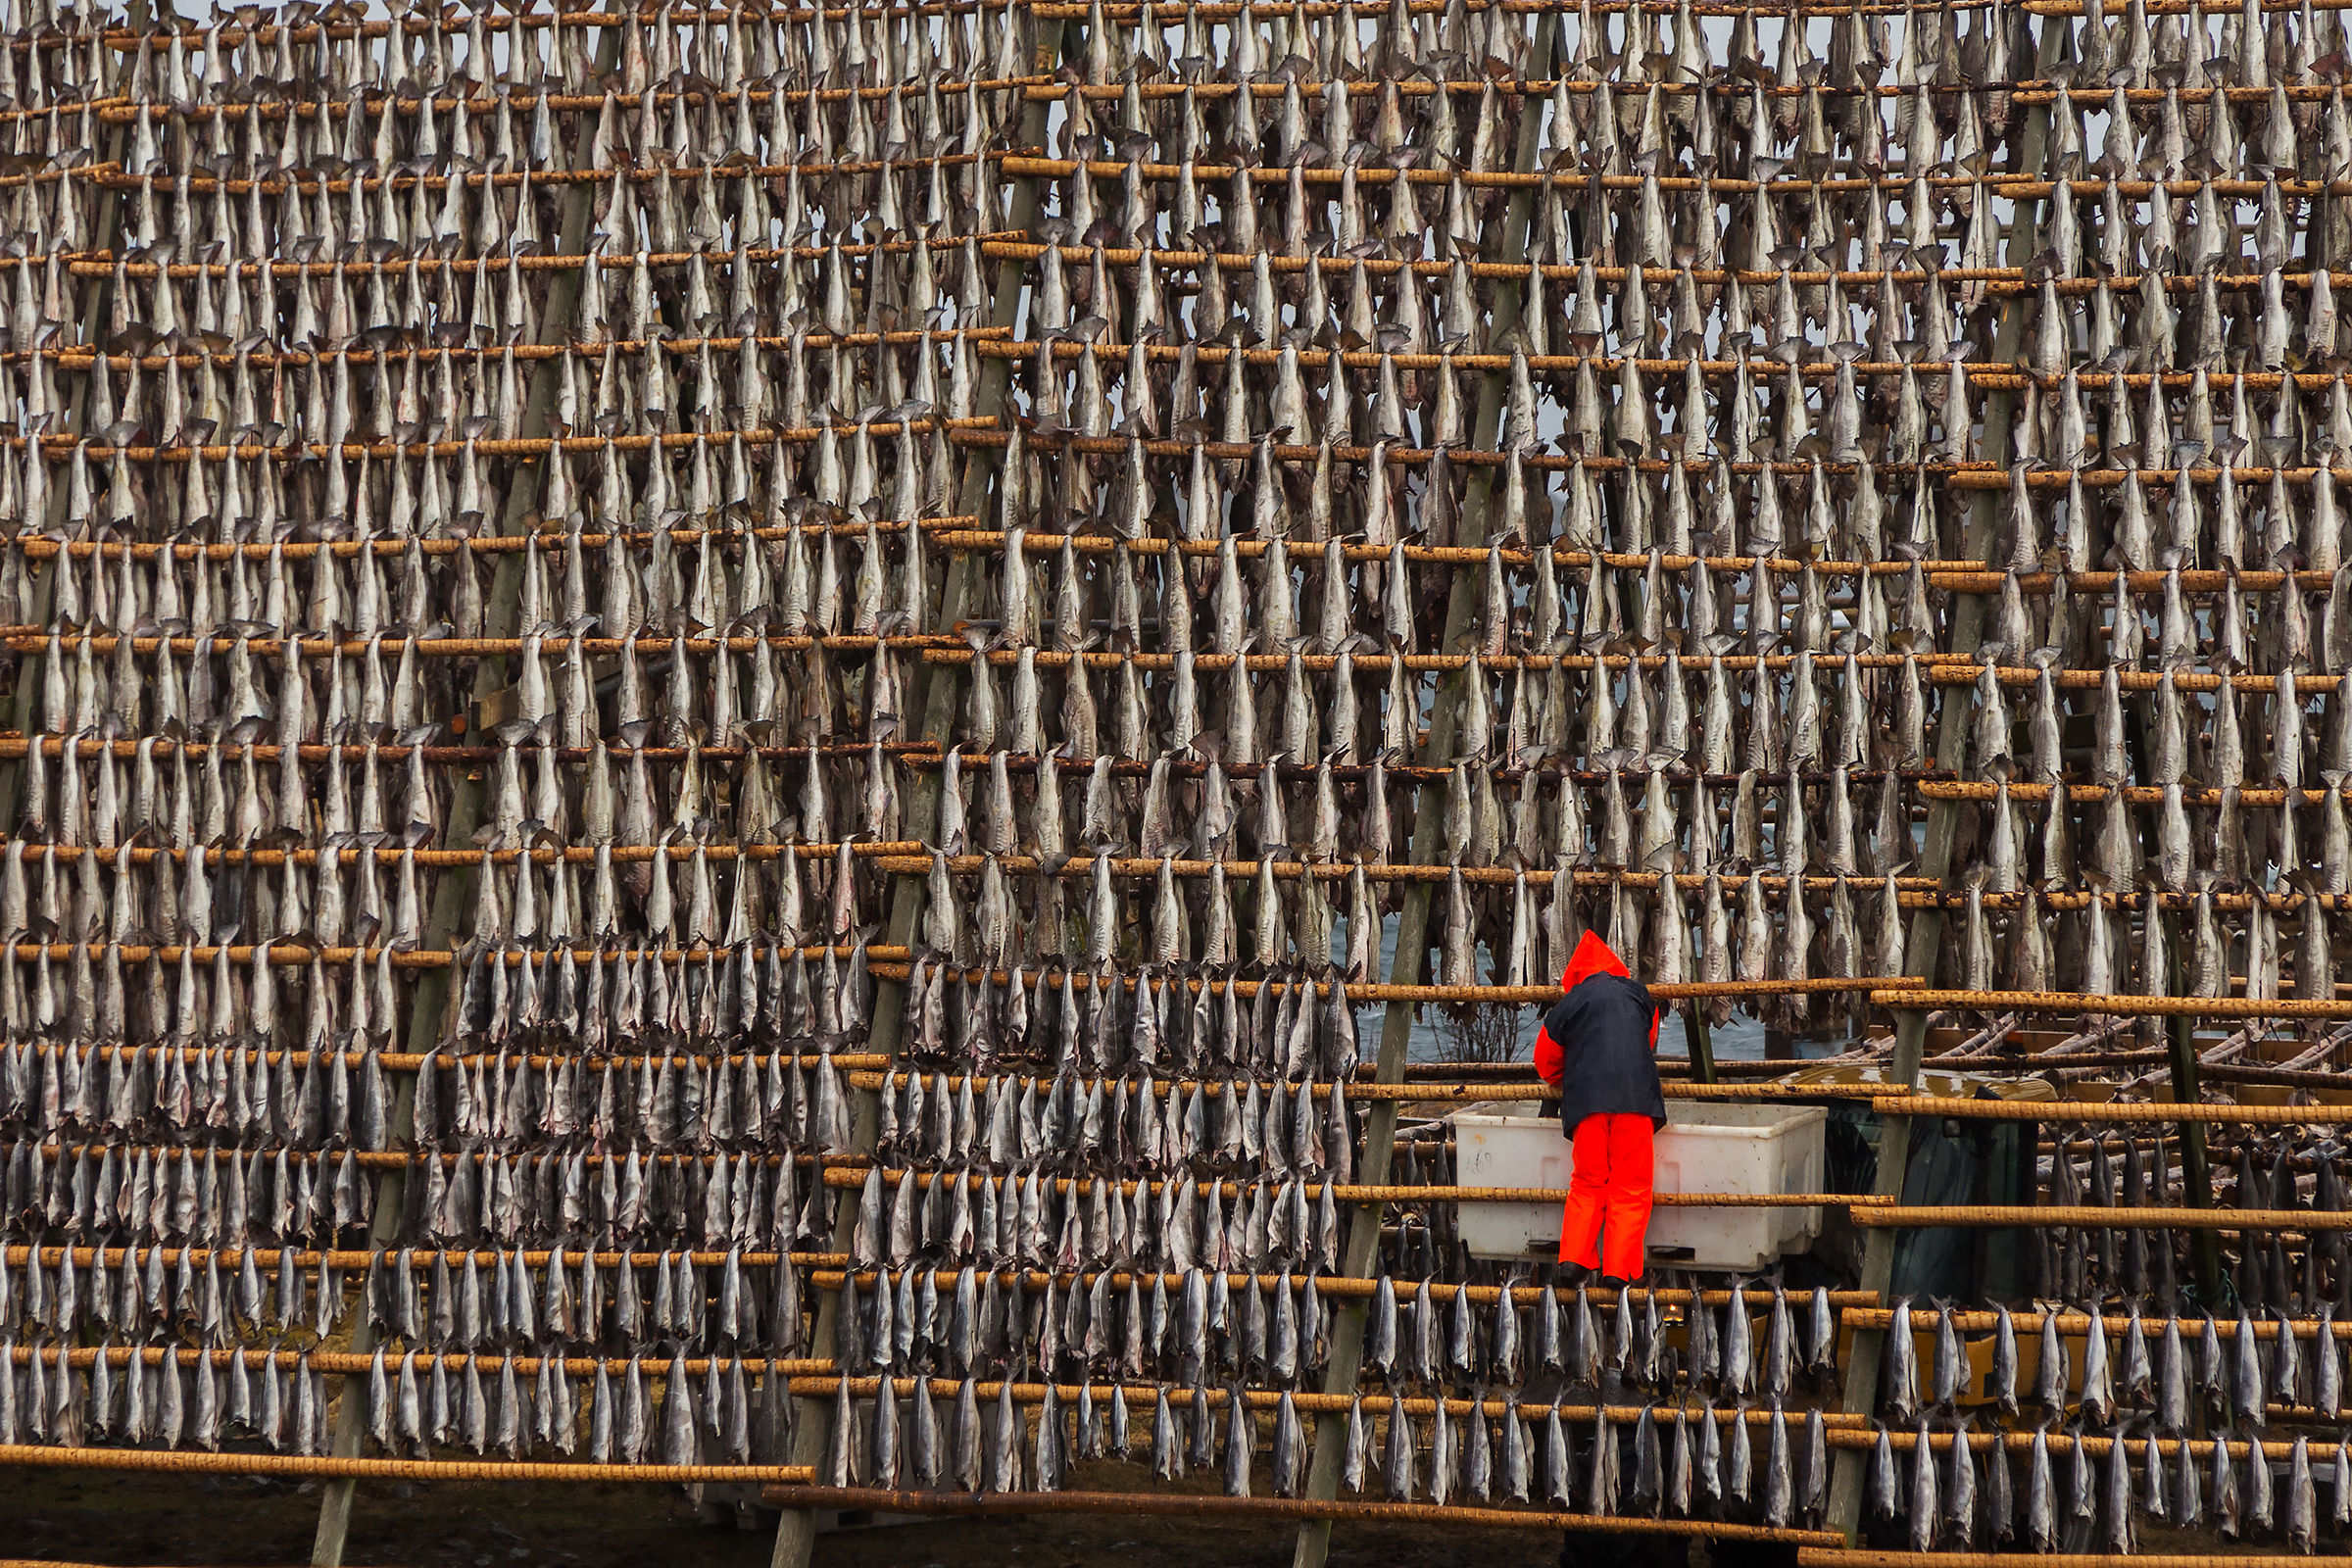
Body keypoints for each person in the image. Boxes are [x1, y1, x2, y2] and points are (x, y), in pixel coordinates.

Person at [1532, 930, 1665, 1286]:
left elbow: (1544, 1063)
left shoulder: (1568, 1005)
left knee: (1588, 1181)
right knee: (1631, 1185)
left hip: (1587, 1103)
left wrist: (1571, 1071)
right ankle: (1618, 1271)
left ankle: (1574, 1260)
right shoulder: (1640, 995)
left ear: (1576, 974)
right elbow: (1648, 1041)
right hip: (1636, 1101)